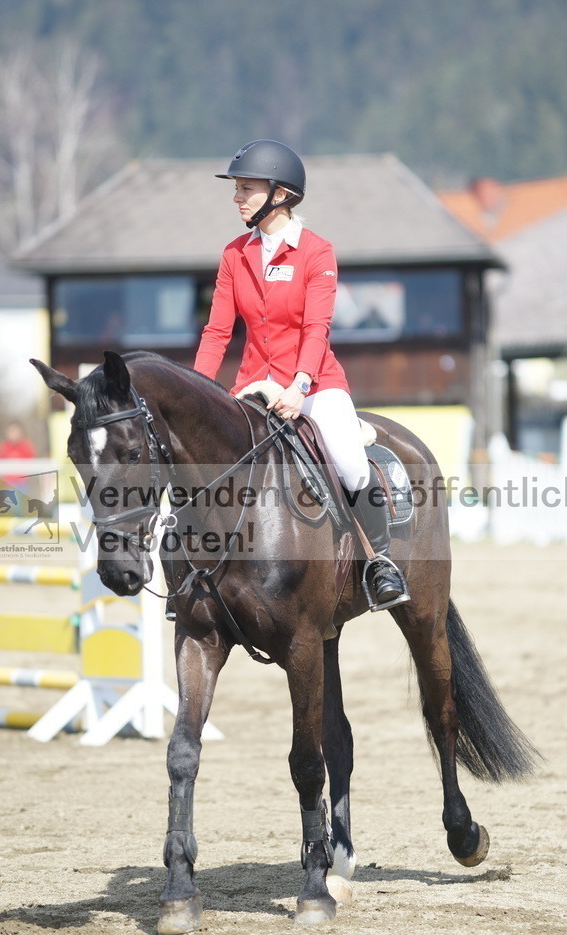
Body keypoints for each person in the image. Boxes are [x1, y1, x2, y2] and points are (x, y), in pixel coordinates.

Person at [193, 139, 409, 609]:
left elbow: (317, 328)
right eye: (237, 189)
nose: (236, 198)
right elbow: (216, 333)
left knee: (350, 466)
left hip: (314, 385)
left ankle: (379, 563)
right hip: (252, 385)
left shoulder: (316, 253)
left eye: (246, 189)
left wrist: (299, 386)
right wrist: (198, 393)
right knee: (206, 464)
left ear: (280, 195)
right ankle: (196, 574)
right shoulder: (234, 255)